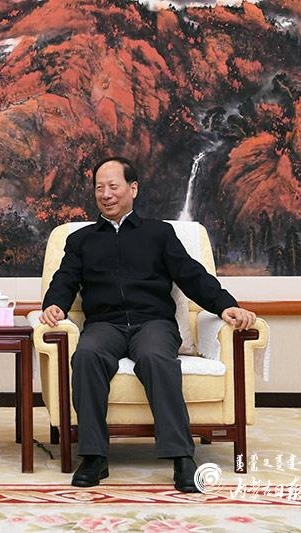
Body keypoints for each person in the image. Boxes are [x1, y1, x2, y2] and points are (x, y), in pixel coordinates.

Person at [39, 156, 256, 493]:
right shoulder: (81, 240)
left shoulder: (158, 233)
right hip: (105, 324)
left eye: (113, 186)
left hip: (153, 322)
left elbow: (191, 275)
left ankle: (182, 456)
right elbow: (64, 279)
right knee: (87, 356)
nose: (106, 194)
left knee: (156, 358)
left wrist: (226, 305)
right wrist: (54, 304)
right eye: (99, 188)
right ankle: (94, 455)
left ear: (133, 188)